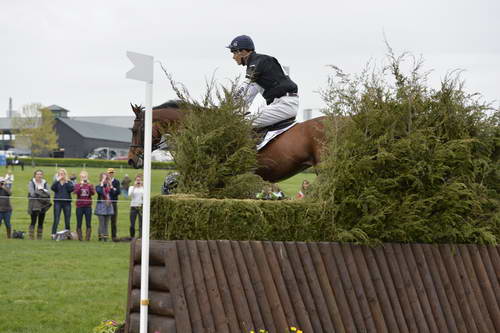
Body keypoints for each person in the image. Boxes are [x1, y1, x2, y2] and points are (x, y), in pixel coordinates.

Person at [227, 35, 299, 129]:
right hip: (282, 104)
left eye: (234, 52)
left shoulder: (256, 63)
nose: (233, 57)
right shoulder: (261, 61)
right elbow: (248, 94)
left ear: (244, 52)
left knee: (241, 123)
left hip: (283, 104)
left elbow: (245, 91)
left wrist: (227, 110)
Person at [51, 168, 74, 239]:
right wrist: (57, 180)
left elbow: (71, 189)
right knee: (56, 218)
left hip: (67, 203)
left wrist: (66, 182)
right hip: (57, 202)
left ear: (65, 174)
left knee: (67, 219)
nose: (61, 175)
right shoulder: (56, 182)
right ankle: (53, 234)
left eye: (63, 174)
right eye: (60, 174)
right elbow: (52, 188)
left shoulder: (69, 182)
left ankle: (67, 234)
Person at [28, 170, 51, 240]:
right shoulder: (31, 182)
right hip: (34, 204)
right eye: (38, 174)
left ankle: (39, 237)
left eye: (41, 174)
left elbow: (49, 193)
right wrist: (42, 191)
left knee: (41, 220)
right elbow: (32, 194)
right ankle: (31, 236)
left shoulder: (45, 182)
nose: (39, 175)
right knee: (33, 220)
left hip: (43, 204)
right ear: (35, 175)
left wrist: (39, 192)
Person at [73, 170, 96, 241]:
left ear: (87, 177)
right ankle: (80, 237)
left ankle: (87, 237)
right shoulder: (77, 185)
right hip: (79, 206)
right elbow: (75, 192)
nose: (84, 178)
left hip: (88, 206)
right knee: (79, 222)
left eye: (85, 177)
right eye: (82, 177)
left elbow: (93, 193)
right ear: (80, 177)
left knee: (88, 222)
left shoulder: (90, 185)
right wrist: (81, 185)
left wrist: (89, 186)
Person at [95, 172, 117, 241]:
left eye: (106, 178)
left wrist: (111, 186)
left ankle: (105, 237)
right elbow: (99, 192)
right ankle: (101, 236)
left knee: (106, 222)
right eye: (103, 178)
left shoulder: (109, 187)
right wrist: (102, 183)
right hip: (101, 205)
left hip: (108, 205)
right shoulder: (98, 186)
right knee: (101, 222)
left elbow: (115, 193)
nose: (105, 180)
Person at [106, 168, 121, 240]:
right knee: (105, 220)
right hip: (105, 203)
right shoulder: (104, 181)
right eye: (109, 173)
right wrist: (113, 190)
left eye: (112, 173)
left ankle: (114, 236)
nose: (111, 174)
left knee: (113, 220)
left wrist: (111, 188)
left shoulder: (117, 182)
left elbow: (117, 192)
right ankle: (104, 236)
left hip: (114, 203)